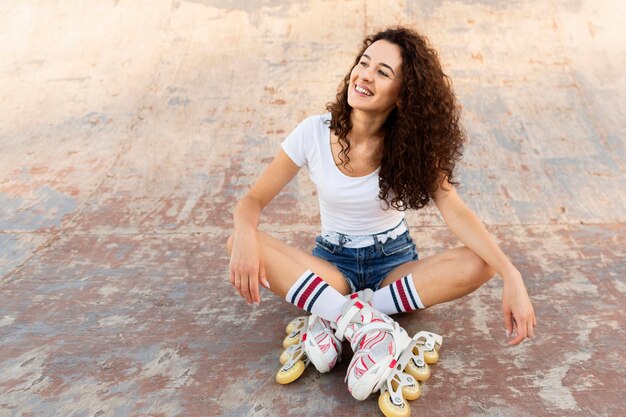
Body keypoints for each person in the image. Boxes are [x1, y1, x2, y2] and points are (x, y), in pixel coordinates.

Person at [226, 26, 536, 405]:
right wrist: (243, 234)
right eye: (363, 63)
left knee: (483, 262)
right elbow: (252, 201)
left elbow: (456, 211)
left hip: (392, 267)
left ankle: (336, 316)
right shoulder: (313, 132)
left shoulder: (410, 147)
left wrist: (511, 273)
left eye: (383, 72)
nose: (365, 75)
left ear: (403, 95)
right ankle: (364, 323)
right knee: (237, 241)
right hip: (333, 267)